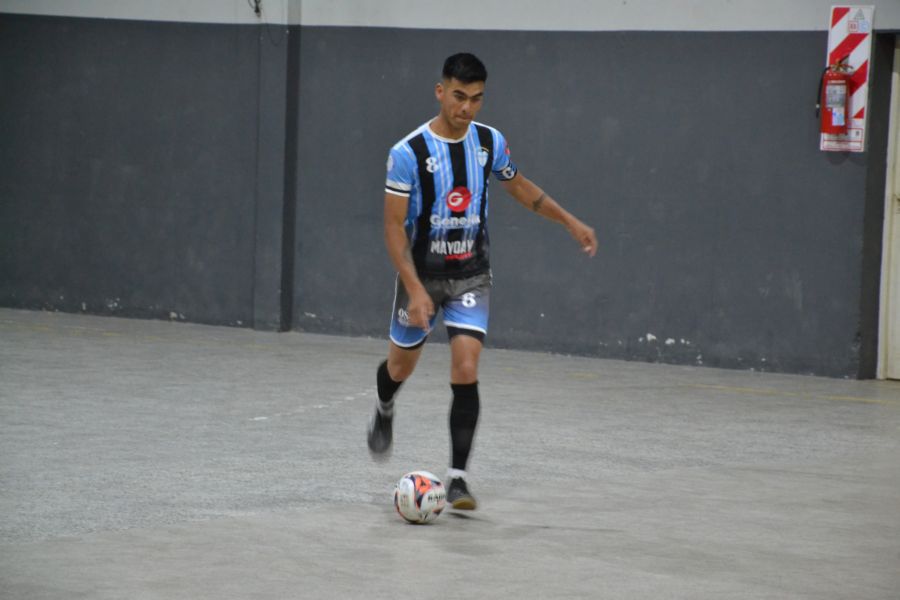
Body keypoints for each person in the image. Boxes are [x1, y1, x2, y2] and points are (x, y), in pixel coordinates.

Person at [367, 52, 597, 510]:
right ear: (440, 91)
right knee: (399, 368)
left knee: (466, 368)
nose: (466, 107)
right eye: (458, 96)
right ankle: (385, 407)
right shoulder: (407, 153)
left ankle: (457, 479)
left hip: (472, 274)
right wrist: (413, 288)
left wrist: (569, 220)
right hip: (423, 278)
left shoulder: (490, 143)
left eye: (476, 99)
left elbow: (521, 187)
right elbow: (393, 228)